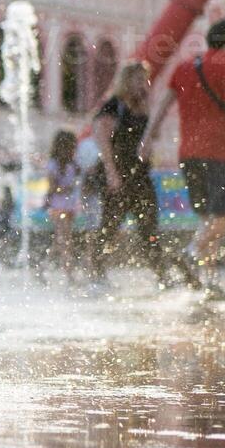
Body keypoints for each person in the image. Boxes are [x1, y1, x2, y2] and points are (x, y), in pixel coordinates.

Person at [147, 18, 225, 298]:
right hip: (221, 152)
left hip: (188, 154)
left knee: (208, 220)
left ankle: (210, 283)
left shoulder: (185, 66)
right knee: (220, 217)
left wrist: (150, 136)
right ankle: (191, 253)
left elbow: (165, 102)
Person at [89, 62, 167, 288]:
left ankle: (161, 274)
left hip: (141, 175)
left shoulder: (143, 106)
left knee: (149, 226)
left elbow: (152, 137)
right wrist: (112, 174)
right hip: (118, 175)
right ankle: (97, 273)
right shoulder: (113, 106)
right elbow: (103, 141)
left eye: (145, 79)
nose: (144, 84)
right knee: (110, 227)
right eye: (139, 79)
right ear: (127, 80)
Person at [45, 130, 82, 280]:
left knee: (60, 241)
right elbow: (52, 188)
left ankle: (42, 266)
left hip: (70, 206)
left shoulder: (72, 164)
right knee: (65, 242)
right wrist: (68, 188)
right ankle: (69, 274)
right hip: (58, 206)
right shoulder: (53, 164)